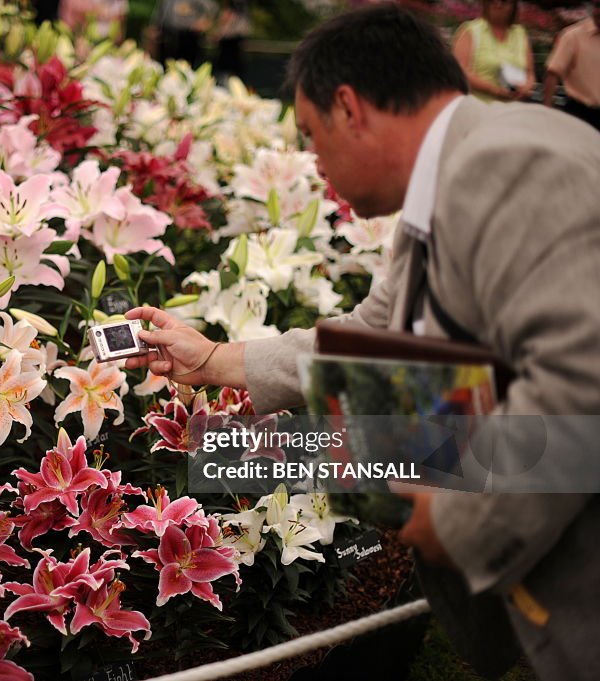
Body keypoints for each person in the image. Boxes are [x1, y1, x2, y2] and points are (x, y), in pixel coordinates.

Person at [126, 5, 600, 679]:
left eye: (313, 137)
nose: (314, 163)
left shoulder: (506, 163)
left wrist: (460, 523)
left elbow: (582, 381)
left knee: (255, 453)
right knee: (238, 453)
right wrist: (212, 360)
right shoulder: (464, 166)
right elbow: (374, 334)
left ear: (349, 107)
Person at [452, 0, 536, 101]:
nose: (498, 5)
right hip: (479, 107)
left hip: (514, 109)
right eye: (492, 1)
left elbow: (530, 73)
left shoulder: (520, 33)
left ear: (514, 6)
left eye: (504, 2)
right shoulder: (470, 31)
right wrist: (495, 90)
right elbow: (460, 72)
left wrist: (527, 87)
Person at [542, 1, 600, 131]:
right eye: (598, 6)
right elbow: (553, 73)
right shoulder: (572, 36)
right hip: (581, 114)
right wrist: (547, 111)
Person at [150, 0, 217, 68]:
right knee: (166, 66)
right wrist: (155, 28)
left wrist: (203, 23)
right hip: (167, 37)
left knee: (188, 67)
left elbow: (212, 8)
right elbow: (159, 14)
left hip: (188, 37)